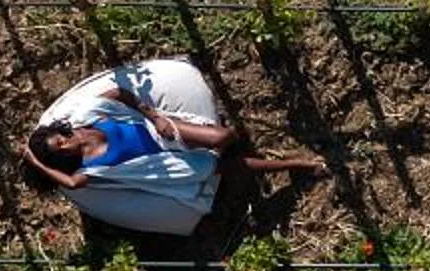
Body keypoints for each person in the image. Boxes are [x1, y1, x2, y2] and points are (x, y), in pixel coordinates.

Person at [20, 59, 321, 235]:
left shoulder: (87, 116)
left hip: (160, 132)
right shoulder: (90, 168)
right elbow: (72, 184)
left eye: (60, 140)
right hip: (163, 164)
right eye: (60, 150)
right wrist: (37, 164)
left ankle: (265, 136)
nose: (65, 145)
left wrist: (153, 115)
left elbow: (120, 93)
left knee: (224, 138)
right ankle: (295, 164)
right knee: (226, 167)